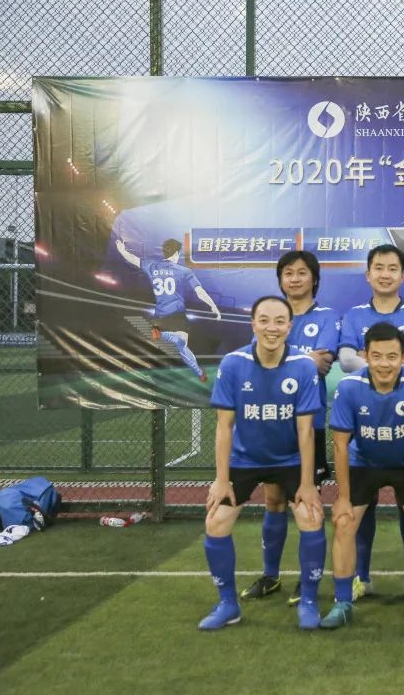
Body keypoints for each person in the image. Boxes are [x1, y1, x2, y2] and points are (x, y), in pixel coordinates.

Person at [200, 295, 326, 631]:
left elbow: (306, 431)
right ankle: (228, 605)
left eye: (280, 321)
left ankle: (309, 601)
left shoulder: (303, 366)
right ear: (253, 324)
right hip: (245, 459)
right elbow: (224, 426)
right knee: (216, 521)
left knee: (311, 516)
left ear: (290, 326)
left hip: (290, 459)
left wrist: (307, 484)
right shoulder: (233, 363)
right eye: (265, 320)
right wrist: (221, 480)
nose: (272, 328)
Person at [321, 322, 404, 629]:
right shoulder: (349, 387)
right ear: (365, 355)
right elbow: (340, 445)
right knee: (343, 522)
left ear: (403, 357)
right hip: (364, 463)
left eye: (391, 356)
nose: (384, 364)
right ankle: (343, 602)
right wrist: (343, 497)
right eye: (376, 356)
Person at [239, 251, 339, 605]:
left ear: (314, 278)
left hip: (309, 424)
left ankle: (307, 581)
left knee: (306, 503)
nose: (295, 279)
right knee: (273, 500)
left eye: (302, 273)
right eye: (288, 273)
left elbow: (322, 364)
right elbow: (263, 361)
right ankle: (271, 576)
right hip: (271, 423)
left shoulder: (327, 317)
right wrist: (301, 358)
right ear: (280, 279)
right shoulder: (272, 316)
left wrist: (281, 356)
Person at [338, 244, 404, 601]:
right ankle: (360, 577)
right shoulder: (354, 315)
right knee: (361, 511)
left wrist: (377, 361)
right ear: (368, 274)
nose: (385, 274)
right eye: (379, 267)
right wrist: (391, 362)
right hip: (365, 430)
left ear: (402, 275)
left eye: (392, 268)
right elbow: (346, 361)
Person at [115, 237, 221, 380]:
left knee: (176, 345)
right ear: (176, 253)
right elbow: (199, 292)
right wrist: (213, 305)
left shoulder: (152, 265)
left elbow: (133, 259)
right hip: (177, 315)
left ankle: (197, 370)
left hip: (159, 317)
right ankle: (198, 371)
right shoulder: (184, 271)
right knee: (182, 346)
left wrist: (122, 250)